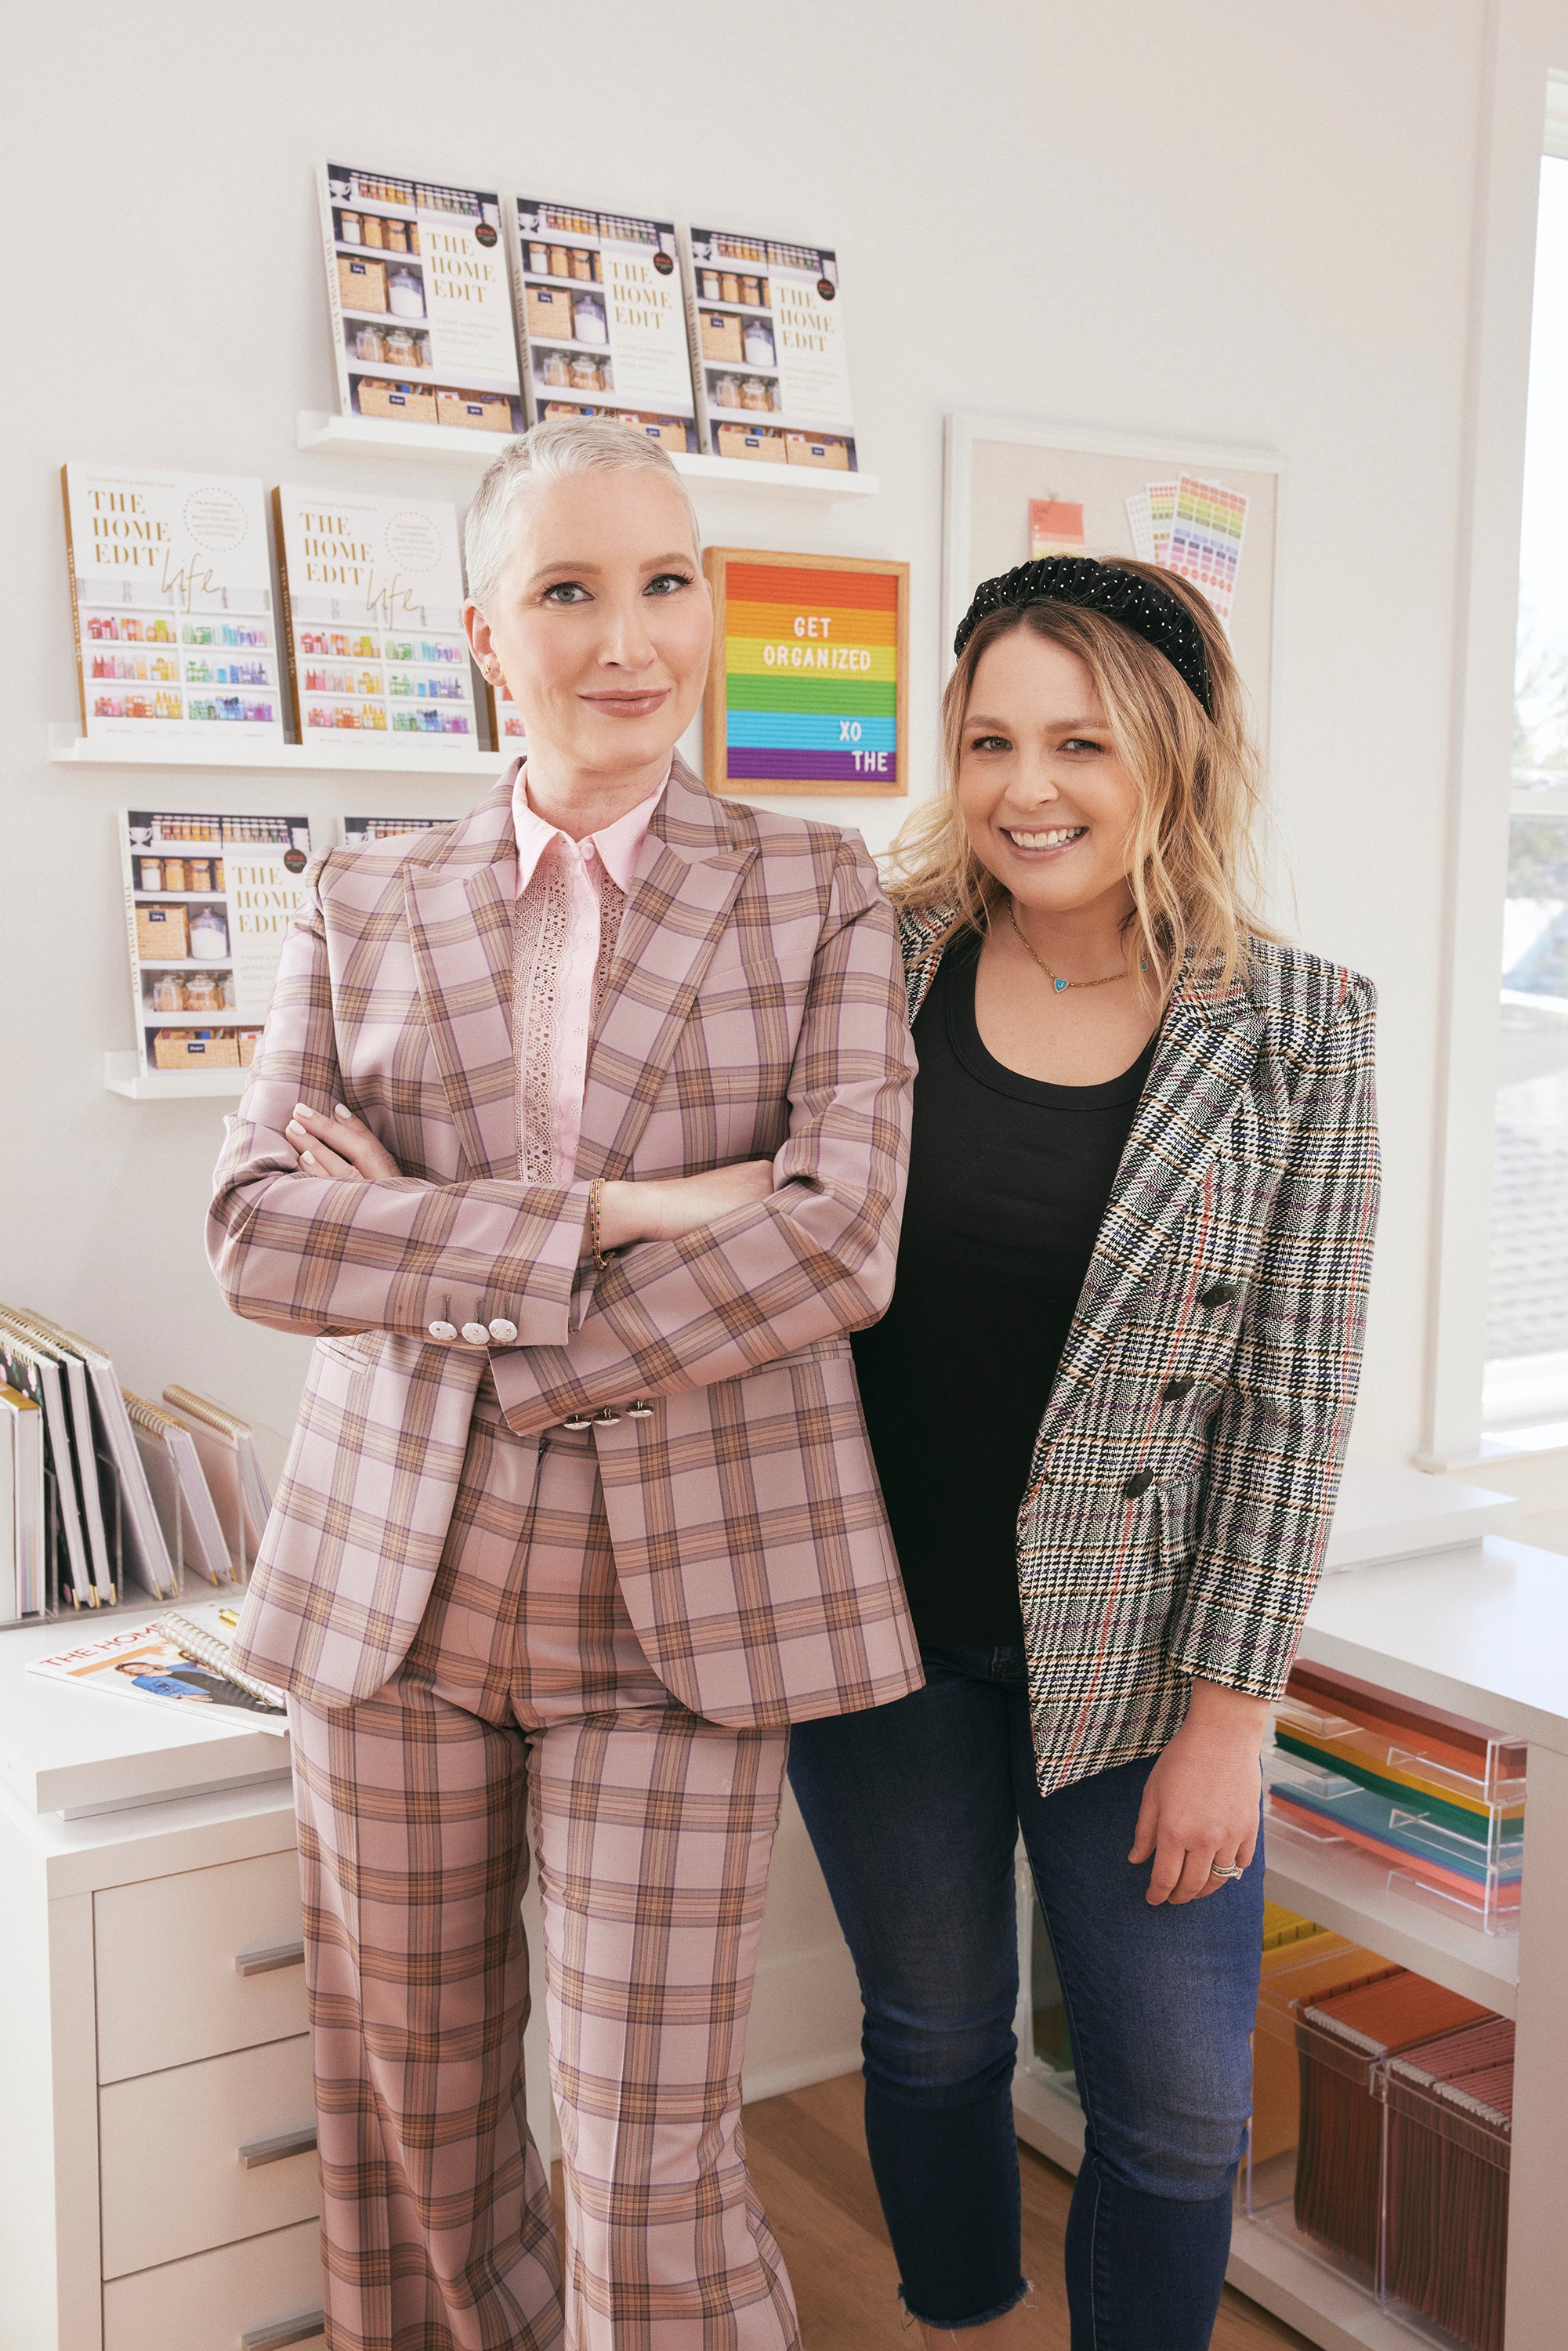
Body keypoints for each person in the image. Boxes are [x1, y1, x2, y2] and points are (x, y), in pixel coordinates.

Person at [208, 415, 922, 2351]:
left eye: (666, 583)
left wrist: (472, 1292)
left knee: (642, 2163)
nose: (630, 638)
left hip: (679, 1613)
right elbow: (261, 1234)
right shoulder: (360, 899)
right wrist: (616, 1206)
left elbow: (840, 1240)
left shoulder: (819, 891)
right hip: (391, 1603)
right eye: (569, 591)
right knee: (415, 2135)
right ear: (482, 638)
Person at [787, 556, 1382, 2350]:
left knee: (1184, 2121)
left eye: (1078, 743)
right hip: (874, 1630)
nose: (1023, 789)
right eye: (986, 740)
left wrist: (1233, 1714)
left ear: (1173, 758)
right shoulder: (864, 964)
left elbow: (1294, 1398)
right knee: (936, 2036)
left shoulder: (1298, 1027)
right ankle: (959, 2318)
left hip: (1142, 1668)